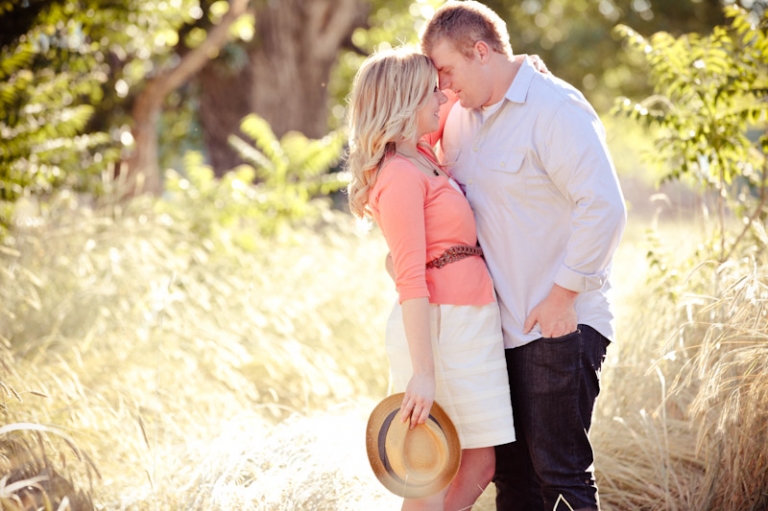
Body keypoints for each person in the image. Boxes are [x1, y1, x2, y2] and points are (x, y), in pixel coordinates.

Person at [420, 2, 627, 511]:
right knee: (512, 481)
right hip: (497, 331)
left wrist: (562, 298)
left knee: (560, 474)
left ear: (482, 51)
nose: (443, 86)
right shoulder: (459, 120)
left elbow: (604, 206)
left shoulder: (554, 108)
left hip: (556, 324)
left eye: (447, 70)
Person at [346, 47, 516, 511]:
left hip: (470, 321)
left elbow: (464, 97)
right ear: (405, 102)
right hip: (439, 329)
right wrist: (423, 373)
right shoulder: (399, 175)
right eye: (430, 91)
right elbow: (410, 279)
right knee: (428, 472)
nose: (442, 96)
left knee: (481, 461)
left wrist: (522, 66)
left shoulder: (422, 153)